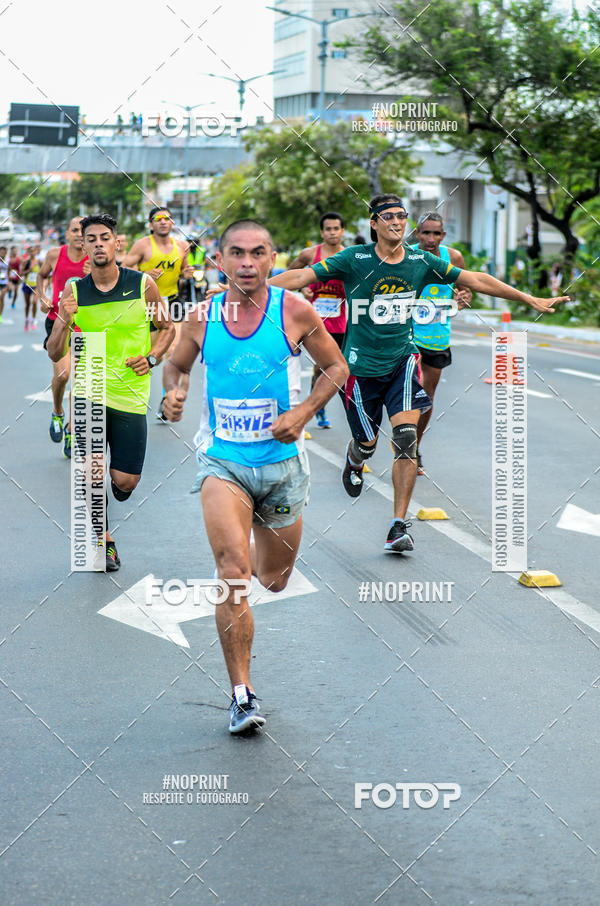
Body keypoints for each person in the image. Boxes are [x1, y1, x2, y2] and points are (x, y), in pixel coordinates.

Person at [270, 193, 567, 554]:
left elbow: (475, 279)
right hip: (360, 370)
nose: (397, 222)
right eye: (388, 216)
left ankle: (398, 525)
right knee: (367, 442)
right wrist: (247, 289)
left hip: (402, 362)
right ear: (374, 223)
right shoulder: (354, 259)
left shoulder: (420, 261)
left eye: (401, 216)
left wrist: (530, 300)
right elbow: (302, 274)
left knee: (406, 440)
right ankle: (355, 458)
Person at [162, 219, 348, 734]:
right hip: (223, 462)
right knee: (232, 571)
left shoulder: (295, 310)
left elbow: (336, 369)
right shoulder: (201, 318)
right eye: (237, 254)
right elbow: (175, 367)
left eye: (258, 253)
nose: (247, 263)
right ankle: (241, 694)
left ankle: (245, 677)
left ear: (272, 259)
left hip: (283, 466)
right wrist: (173, 392)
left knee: (274, 578)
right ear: (219, 261)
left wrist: (304, 412)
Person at [47, 213, 175, 571]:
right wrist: (63, 319)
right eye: (92, 238)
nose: (99, 243)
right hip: (89, 390)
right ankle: (105, 540)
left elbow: (167, 328)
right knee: (90, 473)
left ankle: (116, 495)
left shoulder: (142, 285)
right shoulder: (74, 292)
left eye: (106, 237)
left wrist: (151, 358)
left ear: (117, 243)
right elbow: (54, 351)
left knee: (124, 482)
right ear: (83, 245)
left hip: (131, 395)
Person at [410, 212, 472, 475]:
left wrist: (463, 297)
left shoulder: (453, 258)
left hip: (437, 337)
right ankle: (402, 441)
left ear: (443, 236)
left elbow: (467, 289)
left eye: (437, 234)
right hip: (407, 336)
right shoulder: (406, 255)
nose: (431, 239)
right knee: (403, 394)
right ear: (417, 234)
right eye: (426, 233)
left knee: (426, 397)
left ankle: (413, 449)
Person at [121, 206, 192, 419]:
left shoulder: (181, 246)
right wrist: (143, 273)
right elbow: (124, 266)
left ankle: (166, 398)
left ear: (172, 223)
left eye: (167, 218)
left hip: (172, 301)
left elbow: (184, 272)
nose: (163, 222)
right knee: (156, 354)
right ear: (151, 224)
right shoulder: (143, 245)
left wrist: (187, 273)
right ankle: (132, 393)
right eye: (158, 219)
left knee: (173, 351)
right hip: (148, 303)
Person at [288, 212, 347, 429]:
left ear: (342, 231)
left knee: (338, 367)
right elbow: (292, 275)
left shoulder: (347, 256)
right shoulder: (310, 254)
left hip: (340, 321)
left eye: (336, 228)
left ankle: (319, 403)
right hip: (314, 321)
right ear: (322, 232)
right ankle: (318, 408)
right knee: (321, 367)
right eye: (328, 229)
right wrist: (302, 288)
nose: (332, 232)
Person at [37, 216, 90, 456]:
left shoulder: (96, 259)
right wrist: (43, 297)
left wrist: (94, 277)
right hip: (58, 323)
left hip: (87, 326)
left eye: (84, 231)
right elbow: (41, 276)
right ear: (67, 233)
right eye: (75, 230)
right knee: (62, 374)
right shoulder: (55, 255)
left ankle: (72, 428)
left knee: (81, 382)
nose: (79, 234)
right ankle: (58, 412)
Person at [22, 244, 42, 331]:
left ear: (36, 252)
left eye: (34, 251)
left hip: (36, 286)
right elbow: (21, 273)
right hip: (27, 285)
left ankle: (33, 319)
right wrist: (29, 270)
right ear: (28, 252)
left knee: (34, 302)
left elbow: (43, 274)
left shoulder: (40, 262)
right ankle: (26, 319)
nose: (32, 252)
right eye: (31, 251)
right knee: (27, 304)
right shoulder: (26, 262)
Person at [0, 247, 8, 323]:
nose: (2, 253)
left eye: (3, 252)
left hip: (4, 282)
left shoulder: (7, 261)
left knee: (2, 298)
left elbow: (10, 271)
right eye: (1, 252)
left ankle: (0, 315)